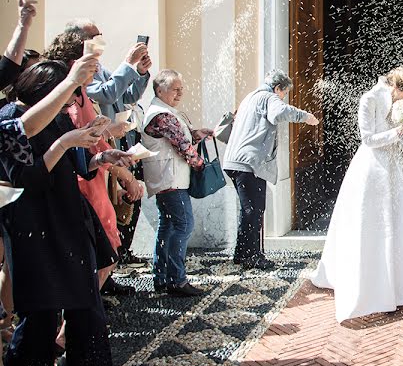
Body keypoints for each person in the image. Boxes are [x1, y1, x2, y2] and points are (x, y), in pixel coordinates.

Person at [0, 61, 131, 366]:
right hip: (33, 226)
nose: (73, 100)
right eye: (68, 92)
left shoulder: (55, 116)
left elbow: (73, 162)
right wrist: (65, 141)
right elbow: (27, 176)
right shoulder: (11, 118)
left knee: (84, 307)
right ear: (44, 89)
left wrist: (102, 156)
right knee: (40, 315)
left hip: (68, 217)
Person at [312, 66, 403, 321]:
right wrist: (398, 131)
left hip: (395, 169)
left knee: (400, 221)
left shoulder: (399, 102)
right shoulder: (369, 99)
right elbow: (368, 139)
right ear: (397, 88)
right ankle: (374, 287)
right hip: (371, 169)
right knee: (372, 225)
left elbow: (402, 139)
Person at [70, 19, 152, 266]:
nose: (99, 40)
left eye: (100, 35)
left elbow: (126, 96)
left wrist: (140, 73)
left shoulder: (101, 68)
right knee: (107, 205)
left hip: (116, 142)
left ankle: (120, 252)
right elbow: (106, 93)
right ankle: (108, 262)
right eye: (93, 36)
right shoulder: (80, 70)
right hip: (95, 150)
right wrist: (127, 64)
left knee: (126, 199)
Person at [223, 70, 319, 270]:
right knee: (255, 211)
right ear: (278, 88)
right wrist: (306, 116)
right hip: (249, 163)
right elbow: (279, 113)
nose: (283, 98)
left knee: (248, 210)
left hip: (234, 161)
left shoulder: (250, 97)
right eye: (283, 94)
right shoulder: (268, 97)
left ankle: (242, 253)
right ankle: (252, 256)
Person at [141, 69, 213, 297]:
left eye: (181, 89)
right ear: (160, 90)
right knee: (183, 226)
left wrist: (196, 132)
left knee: (168, 226)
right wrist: (202, 166)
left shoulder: (163, 110)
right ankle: (176, 279)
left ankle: (162, 277)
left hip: (167, 178)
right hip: (170, 179)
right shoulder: (161, 114)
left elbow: (181, 135)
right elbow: (182, 145)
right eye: (175, 89)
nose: (180, 93)